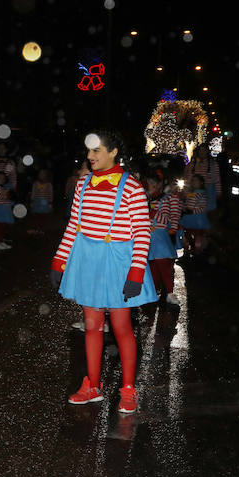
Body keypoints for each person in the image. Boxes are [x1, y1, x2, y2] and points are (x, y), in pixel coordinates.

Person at [50, 130, 156, 414]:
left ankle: (128, 389)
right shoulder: (83, 184)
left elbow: (143, 233)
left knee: (122, 328)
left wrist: (136, 271)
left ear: (113, 153)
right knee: (92, 326)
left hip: (117, 262)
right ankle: (93, 386)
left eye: (96, 151)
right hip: (87, 260)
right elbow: (74, 226)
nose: (90, 156)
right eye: (89, 151)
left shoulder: (132, 188)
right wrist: (59, 261)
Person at [144, 172, 181, 305]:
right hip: (148, 235)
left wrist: (173, 229)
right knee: (153, 265)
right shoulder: (146, 197)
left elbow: (175, 214)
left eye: (153, 184)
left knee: (162, 264)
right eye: (149, 184)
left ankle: (169, 293)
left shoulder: (169, 197)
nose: (151, 186)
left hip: (160, 234)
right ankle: (153, 293)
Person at [180, 174, 211, 256]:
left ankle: (197, 251)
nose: (193, 182)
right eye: (193, 180)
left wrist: (193, 211)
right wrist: (183, 208)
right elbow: (187, 203)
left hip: (197, 218)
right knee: (186, 233)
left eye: (196, 180)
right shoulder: (191, 194)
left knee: (197, 235)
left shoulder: (203, 194)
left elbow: (203, 207)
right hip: (188, 218)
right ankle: (187, 250)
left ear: (201, 183)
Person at [184, 144, 221, 212]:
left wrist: (218, 193)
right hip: (194, 191)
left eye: (204, 150)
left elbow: (217, 180)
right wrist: (186, 191)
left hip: (208, 192)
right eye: (200, 150)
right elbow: (188, 178)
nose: (202, 152)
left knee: (207, 211)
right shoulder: (193, 164)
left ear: (207, 152)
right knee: (192, 209)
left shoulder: (213, 164)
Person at [29, 168, 54, 234]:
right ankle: (36, 228)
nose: (42, 175)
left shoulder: (49, 184)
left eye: (43, 174)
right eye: (40, 174)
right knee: (36, 216)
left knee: (43, 217)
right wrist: (32, 201)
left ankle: (42, 229)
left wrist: (50, 202)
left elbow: (50, 193)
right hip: (37, 202)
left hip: (45, 203)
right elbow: (33, 192)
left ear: (46, 175)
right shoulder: (35, 183)